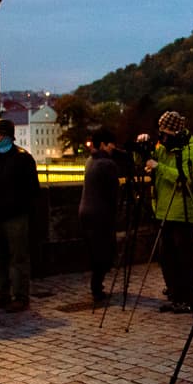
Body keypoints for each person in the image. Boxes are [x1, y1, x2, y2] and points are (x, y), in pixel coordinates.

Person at [140, 110, 193, 313]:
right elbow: (144, 161)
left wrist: (159, 167)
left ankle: (190, 299)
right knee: (166, 258)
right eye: (160, 134)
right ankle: (176, 296)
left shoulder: (191, 151)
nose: (162, 138)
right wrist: (142, 149)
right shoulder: (165, 148)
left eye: (165, 134)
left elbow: (185, 179)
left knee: (185, 259)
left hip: (183, 212)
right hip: (164, 211)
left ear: (177, 132)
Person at [0, 117, 40, 312]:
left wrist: (24, 209)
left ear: (8, 136)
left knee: (18, 257)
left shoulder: (23, 158)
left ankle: (20, 296)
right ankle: (1, 293)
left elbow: (33, 189)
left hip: (16, 215)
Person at [79, 128, 120, 303]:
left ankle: (97, 285)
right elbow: (113, 192)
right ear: (103, 144)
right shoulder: (106, 164)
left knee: (94, 250)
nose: (113, 148)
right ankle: (97, 287)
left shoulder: (90, 160)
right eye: (111, 144)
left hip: (86, 211)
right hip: (101, 213)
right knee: (103, 251)